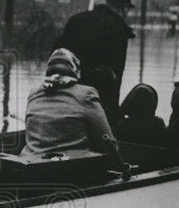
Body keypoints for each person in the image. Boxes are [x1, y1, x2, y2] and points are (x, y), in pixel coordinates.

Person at [20, 48, 131, 177]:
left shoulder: (34, 92)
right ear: (76, 72)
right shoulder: (86, 94)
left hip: (30, 168)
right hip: (71, 172)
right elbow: (107, 144)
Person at [54, 0, 137, 126]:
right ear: (124, 8)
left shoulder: (77, 20)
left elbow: (57, 56)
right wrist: (113, 118)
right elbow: (115, 76)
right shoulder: (117, 29)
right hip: (94, 104)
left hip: (65, 99)